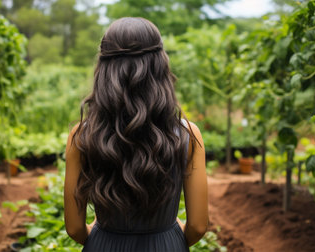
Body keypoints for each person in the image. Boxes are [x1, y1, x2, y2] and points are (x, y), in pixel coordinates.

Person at [64, 17, 208, 251]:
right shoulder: (188, 135)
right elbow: (199, 226)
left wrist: (104, 237)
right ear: (161, 67)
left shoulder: (81, 136)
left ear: (104, 70)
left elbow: (74, 229)